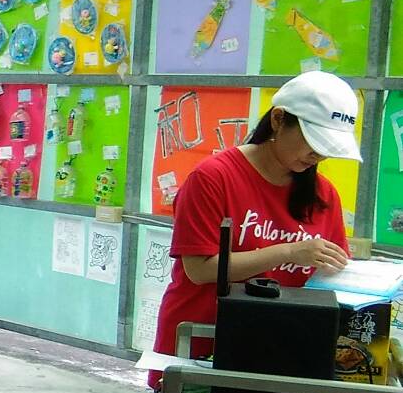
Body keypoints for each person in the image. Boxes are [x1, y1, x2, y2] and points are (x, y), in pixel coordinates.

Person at [151, 71, 358, 369]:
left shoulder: (323, 194)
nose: (318, 154)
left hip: (281, 345)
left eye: (328, 147)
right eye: (313, 141)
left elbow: (331, 274)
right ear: (278, 119)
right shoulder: (212, 178)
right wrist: (289, 252)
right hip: (203, 340)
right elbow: (198, 269)